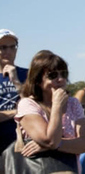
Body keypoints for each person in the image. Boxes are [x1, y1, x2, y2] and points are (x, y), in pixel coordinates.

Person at [11, 50, 85, 173]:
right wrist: (57, 106)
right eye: (53, 75)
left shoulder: (73, 103)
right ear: (38, 80)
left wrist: (54, 145)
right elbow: (50, 140)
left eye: (64, 74)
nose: (60, 79)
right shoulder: (28, 104)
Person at [0, 29, 28, 172]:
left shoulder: (28, 74)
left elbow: (37, 107)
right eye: (3, 47)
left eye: (12, 47)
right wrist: (18, 112)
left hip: (25, 146)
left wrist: (16, 80)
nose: (8, 51)